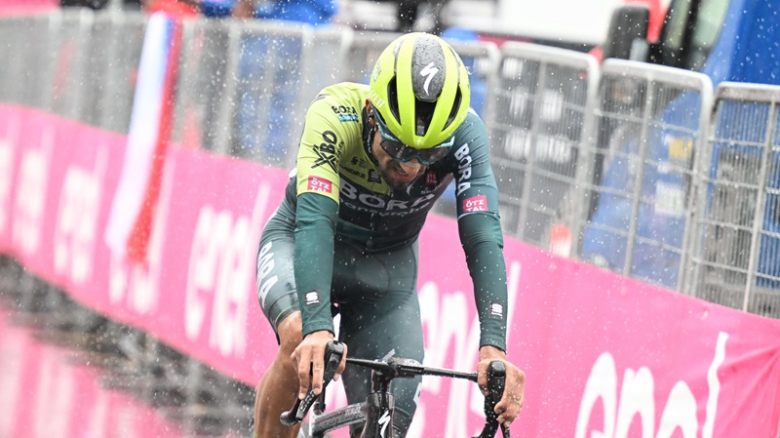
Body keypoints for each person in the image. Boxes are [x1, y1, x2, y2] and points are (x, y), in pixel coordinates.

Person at [253, 32, 525, 437]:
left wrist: (494, 346)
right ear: (371, 114)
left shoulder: (468, 134)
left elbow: (482, 238)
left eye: (429, 155)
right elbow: (315, 222)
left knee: (396, 403)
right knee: (299, 339)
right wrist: (316, 324)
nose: (410, 166)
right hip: (301, 243)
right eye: (398, 148)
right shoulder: (333, 114)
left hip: (385, 273)